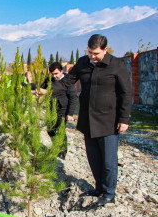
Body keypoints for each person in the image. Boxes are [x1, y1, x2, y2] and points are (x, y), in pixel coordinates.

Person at [40, 34, 132, 206]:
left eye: (96, 53)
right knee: (94, 158)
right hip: (88, 120)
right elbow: (66, 82)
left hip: (108, 120)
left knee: (108, 160)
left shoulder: (117, 65)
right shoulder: (82, 63)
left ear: (105, 50)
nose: (92, 56)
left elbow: (126, 93)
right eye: (90, 52)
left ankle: (109, 193)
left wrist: (124, 118)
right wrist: (47, 91)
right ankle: (98, 188)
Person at [42, 62, 77, 159]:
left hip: (63, 109)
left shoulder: (68, 82)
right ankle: (56, 146)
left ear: (62, 71)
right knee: (50, 129)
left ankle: (62, 152)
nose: (54, 76)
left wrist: (70, 113)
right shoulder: (49, 80)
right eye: (52, 74)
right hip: (51, 109)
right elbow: (41, 87)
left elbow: (73, 98)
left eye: (56, 74)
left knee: (60, 131)